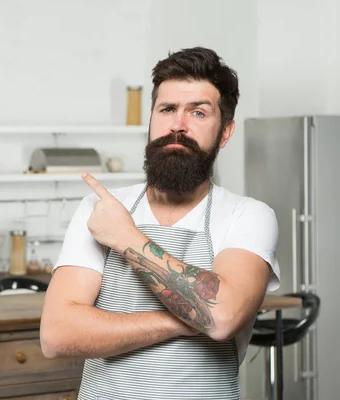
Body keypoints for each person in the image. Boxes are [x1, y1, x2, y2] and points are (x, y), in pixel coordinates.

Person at [39, 46, 281, 400]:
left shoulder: (249, 216)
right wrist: (192, 318)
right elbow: (58, 335)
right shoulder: (100, 207)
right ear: (151, 120)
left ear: (225, 132)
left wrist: (126, 238)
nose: (178, 125)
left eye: (198, 112)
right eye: (167, 109)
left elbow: (224, 316)